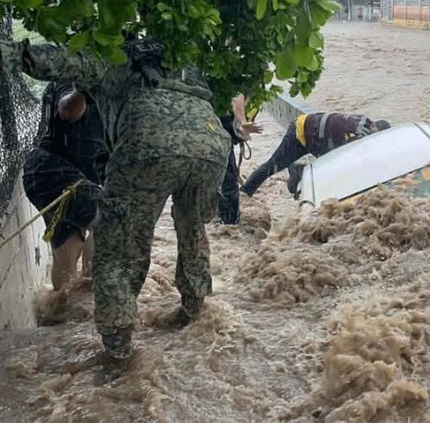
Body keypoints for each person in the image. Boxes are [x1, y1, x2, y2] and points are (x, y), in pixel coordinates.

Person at [0, 37, 231, 380]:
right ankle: (194, 312)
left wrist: (12, 53)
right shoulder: (181, 55)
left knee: (119, 247)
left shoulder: (112, 55)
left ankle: (118, 353)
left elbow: (52, 60)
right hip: (212, 143)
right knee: (193, 229)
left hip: (150, 137)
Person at [22, 81, 108, 290]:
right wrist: (85, 91)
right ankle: (90, 301)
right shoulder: (72, 77)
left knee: (67, 249)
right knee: (109, 221)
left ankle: (62, 314)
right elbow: (68, 110)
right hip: (53, 171)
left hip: (51, 175)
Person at [240, 112, 391, 197]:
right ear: (373, 126)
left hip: (316, 137)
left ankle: (298, 171)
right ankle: (244, 194)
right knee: (271, 166)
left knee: (332, 169)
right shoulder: (359, 133)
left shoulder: (363, 121)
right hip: (301, 132)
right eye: (374, 136)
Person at [217, 94, 262, 225]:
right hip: (220, 135)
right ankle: (229, 225)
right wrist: (243, 122)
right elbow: (237, 97)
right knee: (228, 183)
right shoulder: (241, 84)